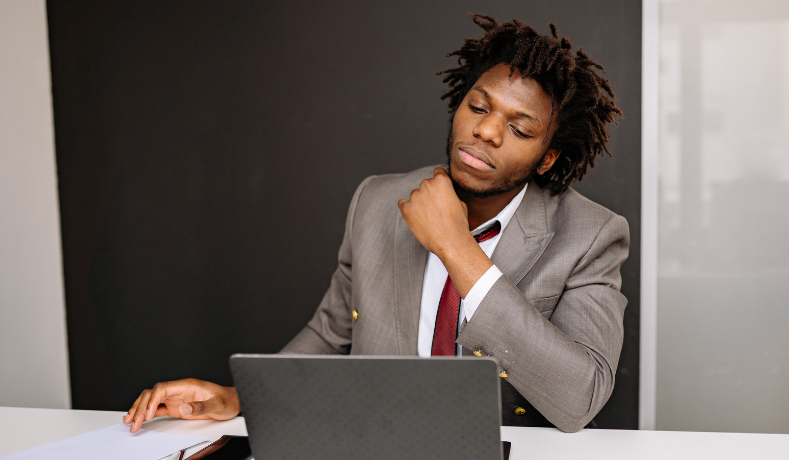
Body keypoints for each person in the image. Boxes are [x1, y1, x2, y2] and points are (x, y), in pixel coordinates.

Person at [124, 14, 627, 434]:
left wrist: (456, 247)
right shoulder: (377, 200)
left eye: (519, 128)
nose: (487, 130)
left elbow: (579, 399)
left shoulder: (591, 235)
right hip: (374, 443)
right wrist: (240, 398)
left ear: (547, 157)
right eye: (478, 106)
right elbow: (332, 335)